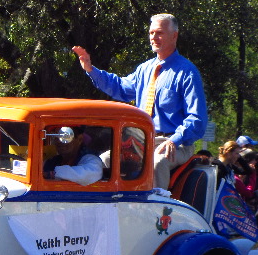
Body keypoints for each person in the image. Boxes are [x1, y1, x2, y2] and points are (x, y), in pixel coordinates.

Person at [72, 13, 207, 190]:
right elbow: (120, 87)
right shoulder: (145, 69)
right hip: (142, 141)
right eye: (151, 33)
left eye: (159, 33)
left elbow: (197, 119)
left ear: (174, 36)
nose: (153, 37)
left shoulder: (187, 72)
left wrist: (174, 140)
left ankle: (158, 214)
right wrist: (91, 69)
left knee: (157, 163)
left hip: (176, 143)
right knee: (103, 162)